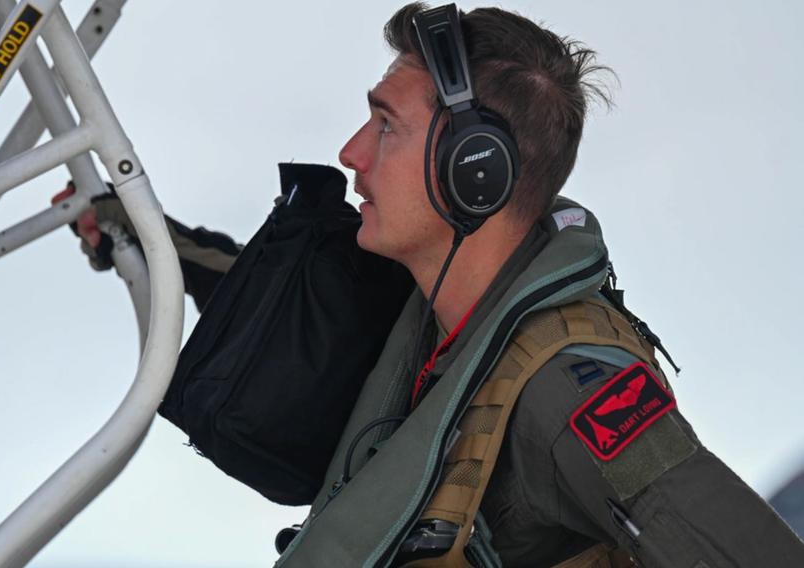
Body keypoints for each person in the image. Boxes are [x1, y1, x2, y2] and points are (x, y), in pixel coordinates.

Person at [61, 3, 804, 566]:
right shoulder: (421, 315)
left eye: (386, 126)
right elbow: (285, 320)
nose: (351, 154)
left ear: (473, 170)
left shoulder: (571, 389)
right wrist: (145, 233)